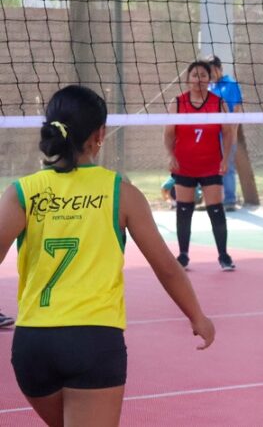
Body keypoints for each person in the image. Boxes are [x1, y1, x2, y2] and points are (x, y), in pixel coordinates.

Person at [0, 85, 214, 427]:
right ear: (99, 135)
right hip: (92, 340)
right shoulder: (121, 193)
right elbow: (166, 267)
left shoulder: (22, 192)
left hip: (33, 345)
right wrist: (197, 316)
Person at [163, 60, 236, 271]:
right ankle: (183, 255)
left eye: (203, 75)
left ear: (209, 79)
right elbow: (168, 134)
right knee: (184, 209)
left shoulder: (218, 103)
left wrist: (225, 159)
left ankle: (224, 256)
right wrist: (170, 156)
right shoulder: (178, 103)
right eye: (195, 75)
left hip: (211, 164)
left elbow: (228, 133)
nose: (199, 79)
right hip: (184, 165)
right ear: (188, 79)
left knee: (216, 209)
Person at [206, 55, 243, 211]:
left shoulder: (230, 84)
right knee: (209, 168)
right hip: (210, 136)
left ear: (219, 68)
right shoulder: (209, 87)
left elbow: (237, 110)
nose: (210, 74)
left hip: (225, 135)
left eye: (212, 70)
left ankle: (229, 200)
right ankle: (212, 200)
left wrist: (233, 133)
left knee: (227, 166)